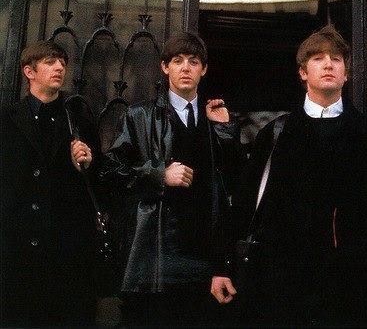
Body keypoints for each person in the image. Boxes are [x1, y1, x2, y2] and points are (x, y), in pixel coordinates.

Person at [212, 25, 367, 326]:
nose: (328, 64)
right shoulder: (276, 133)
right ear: (303, 72)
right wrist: (223, 265)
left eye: (336, 59)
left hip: (351, 284)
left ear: (346, 73)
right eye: (318, 58)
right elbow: (245, 203)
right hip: (284, 284)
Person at [100, 31, 238, 327]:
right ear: (165, 67)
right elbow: (111, 172)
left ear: (204, 69)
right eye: (177, 61)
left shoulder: (217, 119)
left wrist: (226, 132)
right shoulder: (140, 116)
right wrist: (159, 174)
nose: (186, 68)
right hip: (154, 258)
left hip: (203, 260)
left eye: (193, 61)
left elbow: (232, 187)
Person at [0, 40, 98, 327]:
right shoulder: (7, 119)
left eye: (63, 63)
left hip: (66, 249)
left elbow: (100, 176)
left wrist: (88, 163)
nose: (59, 67)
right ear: (29, 71)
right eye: (50, 61)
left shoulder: (77, 116)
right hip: (17, 249)